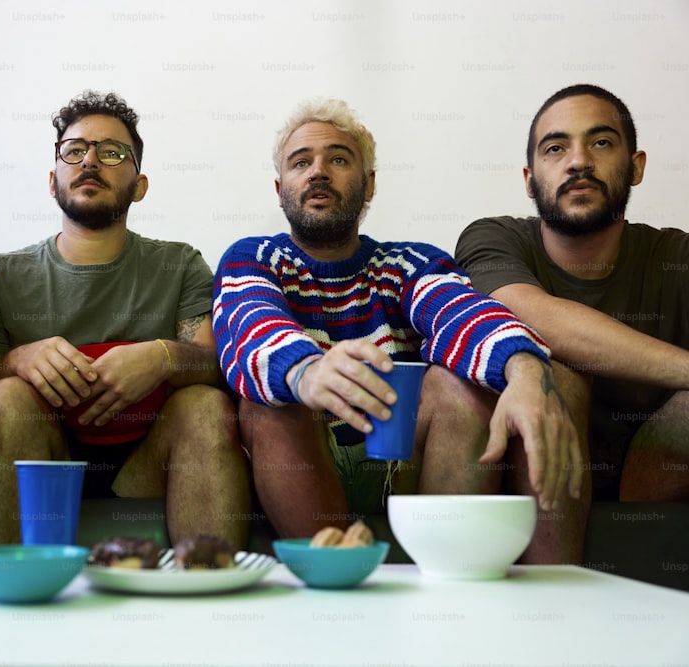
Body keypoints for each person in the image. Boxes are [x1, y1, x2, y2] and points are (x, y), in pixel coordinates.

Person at [212, 97, 586, 562]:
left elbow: (460, 312)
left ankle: (449, 580)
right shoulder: (251, 257)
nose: (319, 172)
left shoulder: (409, 261)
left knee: (459, 387)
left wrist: (526, 370)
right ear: (280, 187)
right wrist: (308, 371)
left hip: (399, 461)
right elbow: (251, 327)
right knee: (267, 402)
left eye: (339, 159)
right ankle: (335, 575)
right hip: (302, 455)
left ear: (368, 184)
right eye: (301, 162)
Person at [0, 91, 249, 547]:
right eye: (74, 151)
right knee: (6, 396)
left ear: (140, 185)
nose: (90, 161)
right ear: (53, 179)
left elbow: (220, 366)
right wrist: (18, 359)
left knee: (203, 405)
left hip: (150, 462)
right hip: (50, 460)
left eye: (112, 152)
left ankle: (209, 594)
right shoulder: (4, 275)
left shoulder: (179, 264)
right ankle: (15, 590)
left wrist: (162, 357)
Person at [456, 83, 689, 505]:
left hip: (654, 490)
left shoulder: (677, 258)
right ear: (529, 180)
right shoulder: (492, 238)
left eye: (601, 142)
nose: (579, 162)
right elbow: (535, 318)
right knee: (553, 373)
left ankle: (639, 550)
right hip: (531, 494)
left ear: (636, 167)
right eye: (555, 149)